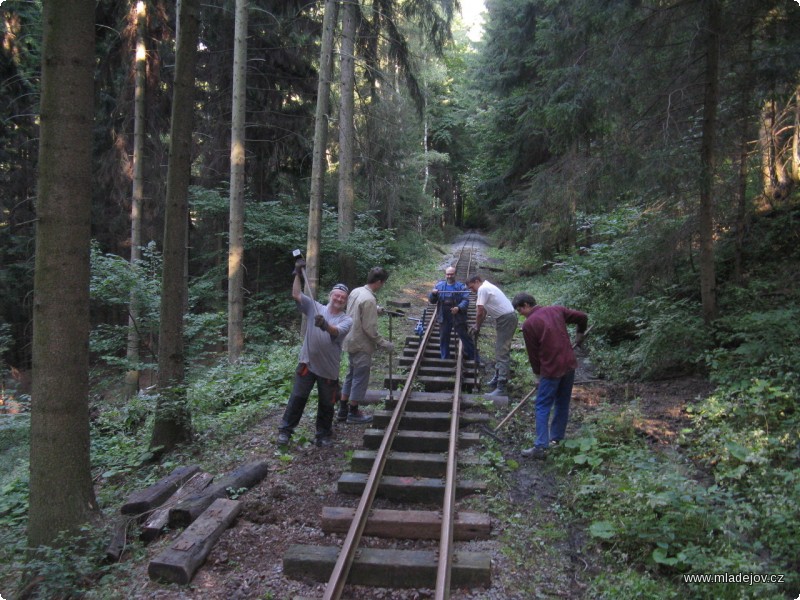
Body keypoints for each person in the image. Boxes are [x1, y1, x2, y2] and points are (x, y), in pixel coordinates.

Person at [276, 259, 352, 447]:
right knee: (298, 398)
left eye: (343, 297)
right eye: (337, 295)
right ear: (331, 295)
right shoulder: (315, 307)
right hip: (307, 363)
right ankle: (285, 431)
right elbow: (296, 294)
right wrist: (296, 273)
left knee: (327, 404)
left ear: (345, 301)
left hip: (328, 369)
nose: (339, 299)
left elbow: (336, 331)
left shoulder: (347, 319)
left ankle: (323, 435)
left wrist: (325, 325)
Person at [511, 292, 588, 460]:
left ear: (525, 305)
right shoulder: (556, 310)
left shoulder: (529, 324)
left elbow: (533, 355)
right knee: (562, 402)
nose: (521, 314)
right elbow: (582, 317)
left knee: (542, 405)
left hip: (551, 369)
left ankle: (540, 446)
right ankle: (557, 439)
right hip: (568, 364)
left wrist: (538, 376)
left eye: (520, 310)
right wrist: (580, 334)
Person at [338, 267, 393, 424]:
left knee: (350, 375)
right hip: (361, 344)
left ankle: (343, 409)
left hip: (349, 339)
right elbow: (370, 329)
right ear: (378, 282)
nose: (382, 285)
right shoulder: (369, 299)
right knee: (360, 378)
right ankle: (353, 412)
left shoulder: (356, 291)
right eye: (382, 283)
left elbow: (355, 309)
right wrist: (384, 344)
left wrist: (377, 310)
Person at [466, 275, 517, 396]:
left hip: (506, 319)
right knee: (500, 350)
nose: (472, 290)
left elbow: (479, 311)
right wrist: (477, 325)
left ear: (477, 282)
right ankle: (498, 377)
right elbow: (483, 312)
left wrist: (477, 326)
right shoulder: (487, 287)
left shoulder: (483, 289)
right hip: (505, 319)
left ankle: (501, 387)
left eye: (472, 287)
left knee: (502, 351)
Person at [429, 266, 476, 361]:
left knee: (464, 336)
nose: (449, 276)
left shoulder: (461, 287)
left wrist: (458, 308)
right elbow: (432, 301)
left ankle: (474, 357)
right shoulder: (439, 286)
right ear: (445, 274)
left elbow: (466, 300)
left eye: (451, 274)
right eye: (448, 274)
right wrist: (433, 294)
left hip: (458, 315)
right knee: (444, 337)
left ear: (455, 274)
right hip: (444, 315)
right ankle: (445, 358)